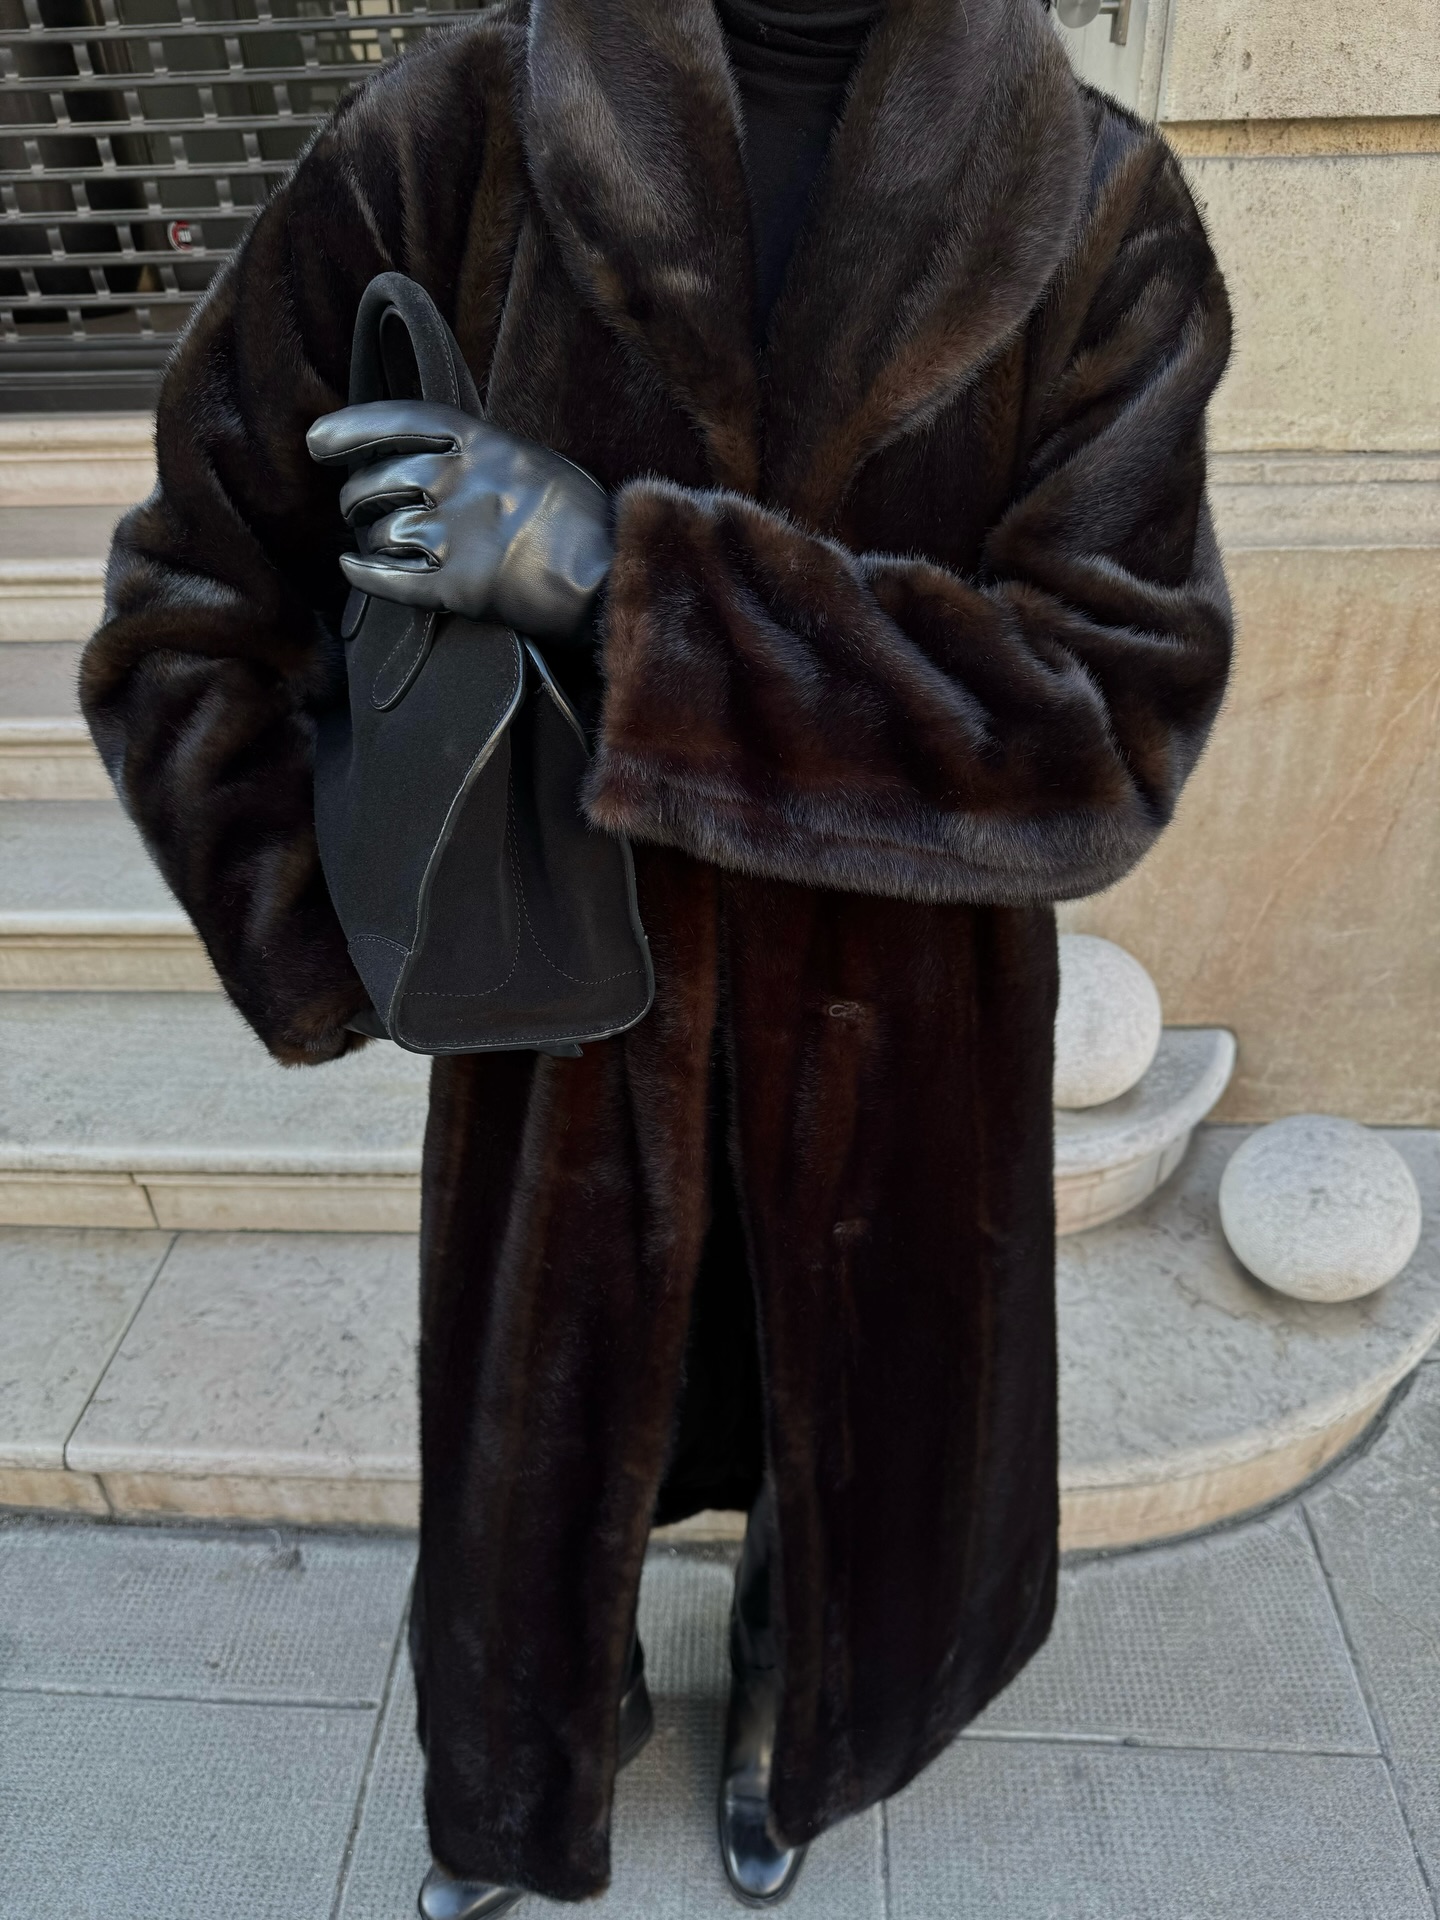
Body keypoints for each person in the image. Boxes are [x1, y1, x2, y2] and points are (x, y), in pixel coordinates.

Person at [80, 0, 1233, 1911]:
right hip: (566, 1021)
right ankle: (541, 1725)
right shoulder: (452, 132)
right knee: (556, 1434)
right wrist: (328, 932)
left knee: (847, 1420)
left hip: (902, 1033)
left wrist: (631, 588)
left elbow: (1105, 717)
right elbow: (193, 589)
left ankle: (810, 1702)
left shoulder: (1089, 198)